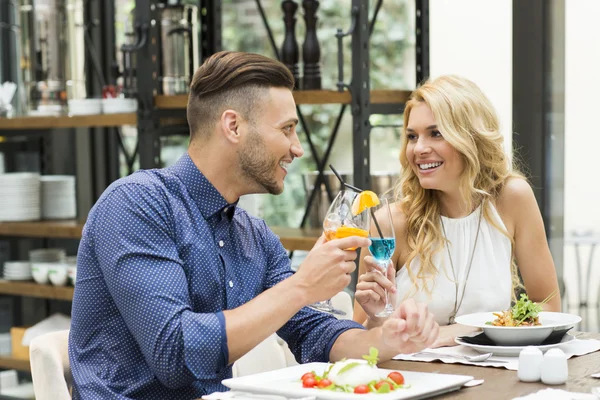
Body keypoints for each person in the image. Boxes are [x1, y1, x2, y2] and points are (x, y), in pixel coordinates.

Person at [68, 51, 439, 399]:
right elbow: (175, 355)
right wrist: (301, 287)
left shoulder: (253, 234)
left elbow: (315, 331)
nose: (297, 148)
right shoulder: (138, 203)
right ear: (233, 126)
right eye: (287, 129)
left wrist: (388, 339)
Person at [353, 75, 561, 347]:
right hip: (411, 378)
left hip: (492, 377)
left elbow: (548, 306)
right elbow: (356, 339)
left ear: (471, 138)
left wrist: (455, 332)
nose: (419, 149)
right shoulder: (390, 223)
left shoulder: (512, 199)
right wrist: (377, 318)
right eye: (412, 137)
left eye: (436, 133)